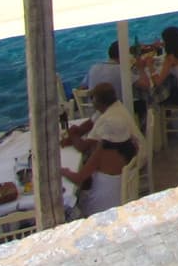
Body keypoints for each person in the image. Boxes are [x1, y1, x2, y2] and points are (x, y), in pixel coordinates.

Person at [61, 83, 143, 217]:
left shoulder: (102, 151)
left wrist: (62, 170)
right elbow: (85, 129)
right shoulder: (130, 146)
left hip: (101, 208)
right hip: (119, 199)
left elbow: (78, 178)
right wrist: (75, 135)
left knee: (72, 202)